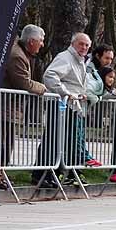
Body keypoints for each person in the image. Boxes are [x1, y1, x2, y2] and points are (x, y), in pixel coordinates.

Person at [0, 25, 47, 190]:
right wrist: (43, 88)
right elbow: (23, 83)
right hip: (5, 107)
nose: (42, 44)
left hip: (11, 108)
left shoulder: (21, 52)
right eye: (41, 41)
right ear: (31, 41)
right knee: (1, 144)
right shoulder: (17, 56)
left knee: (6, 144)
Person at [37, 32, 91, 187]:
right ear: (73, 43)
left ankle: (50, 173)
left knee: (60, 140)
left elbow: (76, 82)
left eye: (87, 45)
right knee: (53, 139)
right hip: (61, 105)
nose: (84, 48)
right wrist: (66, 93)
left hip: (71, 106)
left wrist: (81, 94)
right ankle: (42, 173)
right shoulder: (66, 57)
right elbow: (50, 75)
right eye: (81, 44)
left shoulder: (80, 61)